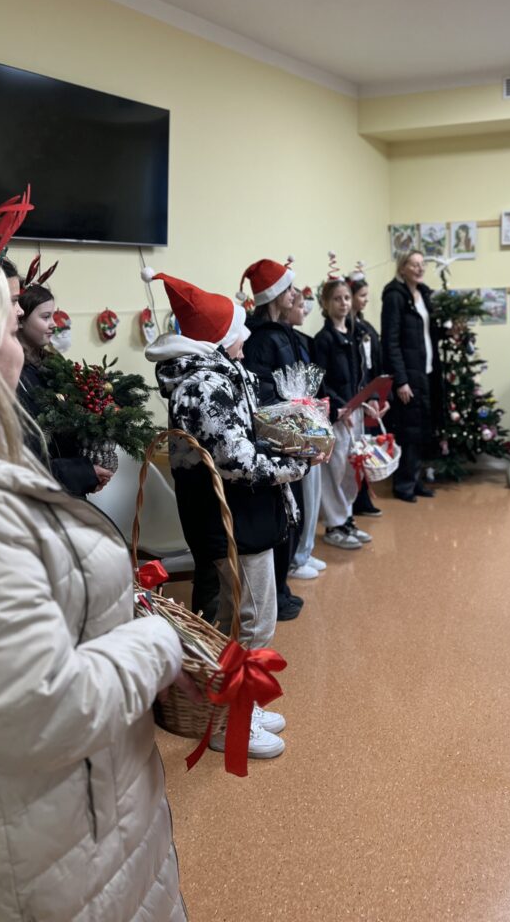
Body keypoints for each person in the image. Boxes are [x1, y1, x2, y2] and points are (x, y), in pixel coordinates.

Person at [0, 246, 188, 922]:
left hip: (64, 828)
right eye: (11, 328)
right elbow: (42, 712)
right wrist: (159, 641)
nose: (24, 350)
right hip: (31, 858)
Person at [145, 269, 313, 759]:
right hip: (229, 521)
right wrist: (296, 464)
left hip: (242, 518)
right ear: (219, 338)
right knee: (249, 622)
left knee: (243, 619)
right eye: (239, 330)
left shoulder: (219, 376)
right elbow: (237, 462)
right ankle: (229, 722)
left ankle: (239, 704)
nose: (246, 340)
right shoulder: (204, 386)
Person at [239, 258, 312, 612]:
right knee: (284, 516)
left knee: (295, 514)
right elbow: (263, 396)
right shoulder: (261, 339)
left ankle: (282, 587)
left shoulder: (282, 332)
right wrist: (292, 417)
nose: (296, 294)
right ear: (275, 295)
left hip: (293, 436)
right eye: (290, 289)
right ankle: (276, 596)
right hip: (277, 443)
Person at [17, 282, 110, 497]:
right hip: (43, 492)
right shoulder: (17, 374)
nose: (53, 324)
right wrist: (82, 473)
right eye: (45, 317)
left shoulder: (53, 366)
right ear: (21, 319)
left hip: (68, 487)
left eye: (53, 316)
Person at [313, 277, 372, 549]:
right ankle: (334, 524)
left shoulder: (355, 335)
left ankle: (347, 518)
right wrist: (339, 408)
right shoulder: (323, 340)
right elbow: (321, 382)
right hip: (337, 414)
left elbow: (361, 373)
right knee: (335, 470)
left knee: (352, 467)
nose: (343, 303)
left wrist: (369, 399)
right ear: (326, 303)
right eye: (337, 299)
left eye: (347, 298)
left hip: (356, 409)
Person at [381, 250, 443, 502]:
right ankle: (403, 485)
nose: (419, 268)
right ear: (402, 268)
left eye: (422, 264)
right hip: (409, 375)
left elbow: (428, 332)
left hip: (426, 371)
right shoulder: (395, 297)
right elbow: (391, 341)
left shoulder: (423, 294)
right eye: (414, 264)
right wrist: (401, 380)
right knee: (408, 430)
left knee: (421, 429)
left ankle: (415, 480)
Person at [282, 287, 327, 579]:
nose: (304, 310)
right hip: (294, 425)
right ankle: (297, 556)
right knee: (302, 494)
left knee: (313, 492)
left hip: (309, 417)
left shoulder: (302, 340)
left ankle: (306, 550)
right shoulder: (278, 340)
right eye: (299, 305)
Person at [350, 272, 384, 517]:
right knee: (354, 450)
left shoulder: (365, 327)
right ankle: (355, 501)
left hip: (368, 395)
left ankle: (363, 497)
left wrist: (377, 396)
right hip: (354, 399)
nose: (365, 300)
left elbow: (373, 365)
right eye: (361, 295)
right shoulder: (347, 330)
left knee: (366, 446)